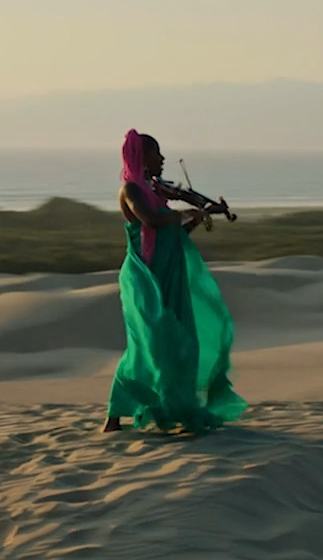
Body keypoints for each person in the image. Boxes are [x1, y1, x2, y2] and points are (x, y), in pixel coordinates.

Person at [102, 130, 246, 433]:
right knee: (150, 344)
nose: (163, 159)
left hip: (170, 273)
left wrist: (199, 215)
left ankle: (173, 405)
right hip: (146, 278)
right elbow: (152, 221)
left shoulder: (155, 192)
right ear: (143, 157)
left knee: (180, 341)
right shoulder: (131, 190)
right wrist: (185, 211)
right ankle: (116, 413)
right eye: (157, 153)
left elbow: (173, 237)